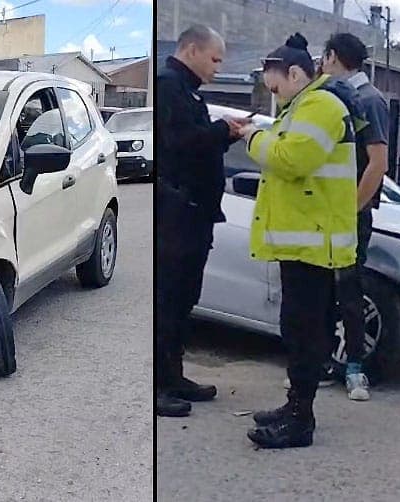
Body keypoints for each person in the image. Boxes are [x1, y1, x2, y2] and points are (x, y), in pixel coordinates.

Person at [236, 33, 360, 448]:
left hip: (315, 245)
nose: (272, 95)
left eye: (273, 86)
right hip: (304, 243)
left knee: (305, 332)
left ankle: (300, 420)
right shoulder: (301, 107)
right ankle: (295, 406)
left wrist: (251, 137)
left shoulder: (321, 105)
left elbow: (291, 161)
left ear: (294, 74)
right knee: (297, 329)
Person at [155, 25, 247, 417]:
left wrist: (226, 135)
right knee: (167, 300)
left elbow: (196, 144)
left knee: (183, 301)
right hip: (176, 213)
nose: (218, 67)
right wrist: (218, 130)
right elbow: (175, 144)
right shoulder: (167, 86)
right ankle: (159, 386)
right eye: (215, 58)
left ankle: (174, 376)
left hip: (195, 214)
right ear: (191, 50)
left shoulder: (188, 90)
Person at [320, 33, 390, 401]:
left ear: (333, 57)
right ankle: (322, 363)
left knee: (349, 289)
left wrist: (350, 211)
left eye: (323, 57)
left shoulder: (368, 100)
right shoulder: (331, 99)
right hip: (324, 212)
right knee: (323, 290)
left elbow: (377, 165)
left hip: (350, 215)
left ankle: (355, 369)